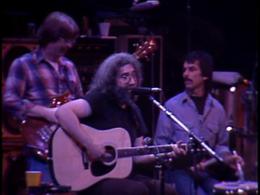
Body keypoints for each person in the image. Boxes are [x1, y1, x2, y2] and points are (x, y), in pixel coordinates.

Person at [55, 52, 178, 195]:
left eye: (134, 76)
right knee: (138, 191)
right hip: (93, 178)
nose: (132, 82)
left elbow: (137, 157)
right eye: (124, 77)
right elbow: (63, 112)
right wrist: (89, 146)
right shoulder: (99, 99)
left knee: (167, 191)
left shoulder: (133, 111)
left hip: (124, 176)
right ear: (111, 80)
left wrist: (166, 154)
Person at [3, 11, 83, 185]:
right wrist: (45, 112)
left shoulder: (69, 66)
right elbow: (9, 100)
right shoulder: (23, 64)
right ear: (52, 36)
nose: (70, 45)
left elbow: (80, 101)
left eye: (72, 40)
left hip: (68, 147)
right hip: (39, 146)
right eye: (66, 39)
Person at [154, 50, 244, 195]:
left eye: (192, 69)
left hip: (207, 171)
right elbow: (159, 145)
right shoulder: (171, 106)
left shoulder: (218, 109)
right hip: (179, 171)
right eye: (184, 70)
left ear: (205, 75)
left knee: (222, 192)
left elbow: (221, 146)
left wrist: (228, 158)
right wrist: (177, 156)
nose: (185, 75)